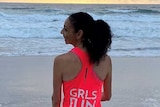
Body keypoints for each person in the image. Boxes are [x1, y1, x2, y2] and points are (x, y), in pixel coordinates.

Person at [52, 12, 112, 107]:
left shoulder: (61, 61)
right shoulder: (106, 60)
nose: (61, 32)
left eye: (66, 29)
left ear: (79, 34)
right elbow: (107, 96)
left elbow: (56, 100)